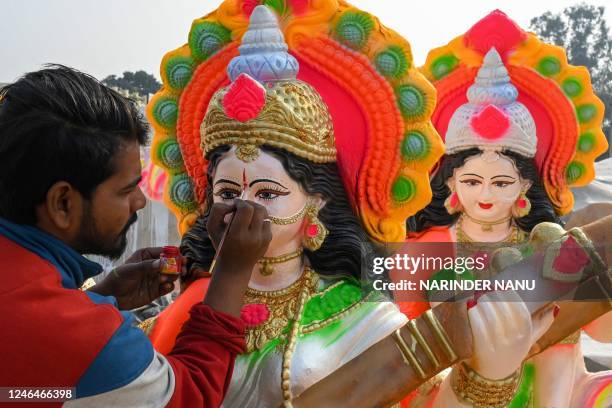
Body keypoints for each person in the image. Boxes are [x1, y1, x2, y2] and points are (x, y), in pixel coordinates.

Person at [143, 4, 565, 407]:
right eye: (228, 194)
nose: (244, 212)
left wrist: (487, 376)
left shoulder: (359, 315)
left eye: (268, 194)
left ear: (317, 200)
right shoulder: (193, 304)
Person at [0, 65, 273, 407]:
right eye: (126, 190)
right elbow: (190, 394)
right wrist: (231, 273)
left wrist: (101, 296)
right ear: (63, 203)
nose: (141, 201)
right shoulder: (84, 340)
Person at [404, 10, 612, 406]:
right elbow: (409, 352)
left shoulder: (549, 242)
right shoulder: (423, 248)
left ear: (525, 187)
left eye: (501, 182)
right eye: (471, 181)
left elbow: (603, 331)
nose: (486, 195)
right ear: (448, 183)